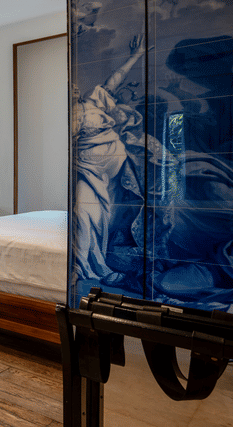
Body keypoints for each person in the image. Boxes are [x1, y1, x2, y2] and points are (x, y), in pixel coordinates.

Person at [73, 34, 146, 285]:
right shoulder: (67, 118)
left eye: (73, 86)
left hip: (116, 164)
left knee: (117, 217)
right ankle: (88, 268)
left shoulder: (92, 100)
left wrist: (135, 56)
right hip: (88, 171)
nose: (73, 88)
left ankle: (111, 262)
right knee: (84, 213)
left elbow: (114, 80)